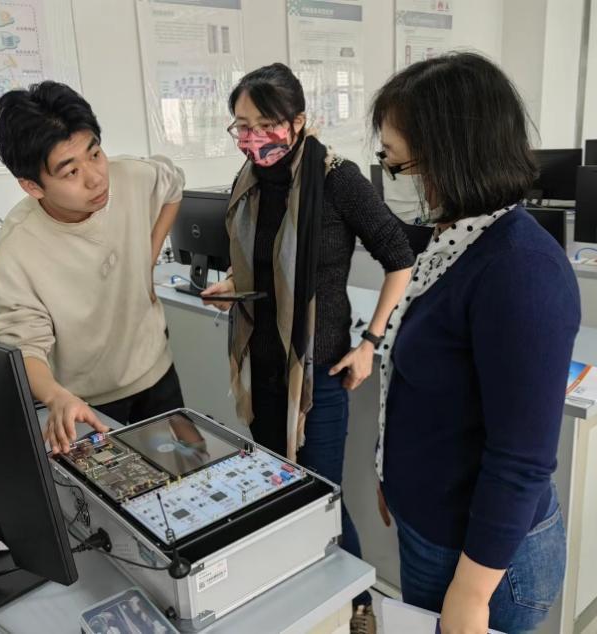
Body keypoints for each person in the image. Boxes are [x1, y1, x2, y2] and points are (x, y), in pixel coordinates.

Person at [371, 53, 581, 634]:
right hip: (433, 528)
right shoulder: (452, 239)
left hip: (484, 565)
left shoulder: (521, 270)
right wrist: (391, 471)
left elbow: (522, 458)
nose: (388, 176)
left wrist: (470, 592)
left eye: (394, 161)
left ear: (452, 157)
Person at [201, 63, 414, 633]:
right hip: (262, 363)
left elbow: (400, 256)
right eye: (242, 125)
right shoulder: (250, 177)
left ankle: (359, 602)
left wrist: (370, 342)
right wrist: (233, 286)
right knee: (276, 488)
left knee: (320, 495)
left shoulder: (336, 179)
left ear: (298, 121)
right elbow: (262, 261)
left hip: (317, 371)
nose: (252, 138)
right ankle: (304, 600)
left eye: (265, 124)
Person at [0, 81, 185, 454]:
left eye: (95, 154)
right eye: (71, 172)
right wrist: (55, 396)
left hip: (156, 374)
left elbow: (173, 185)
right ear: (32, 187)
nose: (96, 177)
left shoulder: (131, 176)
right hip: (84, 404)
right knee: (113, 489)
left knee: (186, 476)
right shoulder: (19, 248)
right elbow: (23, 344)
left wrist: (148, 258)